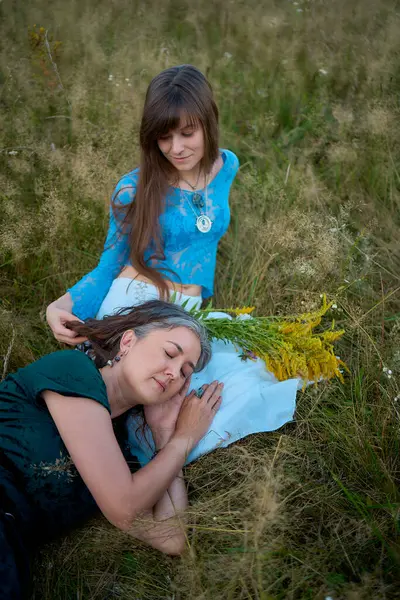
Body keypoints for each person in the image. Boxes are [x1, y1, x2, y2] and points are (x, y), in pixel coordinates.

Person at [46, 64, 299, 467]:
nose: (176, 148)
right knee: (189, 402)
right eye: (164, 137)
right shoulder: (134, 189)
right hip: (140, 308)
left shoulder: (225, 167)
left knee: (261, 367)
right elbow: (107, 267)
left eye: (187, 133)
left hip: (190, 314)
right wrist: (60, 307)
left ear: (208, 123)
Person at [0, 300, 223, 599]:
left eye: (185, 372)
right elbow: (124, 506)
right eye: (169, 353)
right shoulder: (72, 370)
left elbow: (171, 537)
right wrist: (185, 439)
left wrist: (165, 436)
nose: (173, 373)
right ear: (129, 341)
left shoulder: (120, 453)